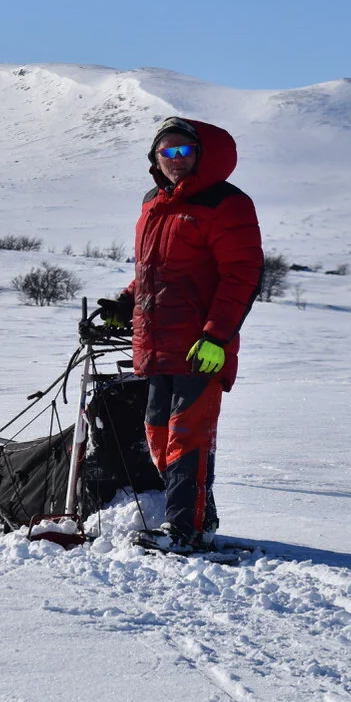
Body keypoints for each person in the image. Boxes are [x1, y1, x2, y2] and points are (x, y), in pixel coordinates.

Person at [97, 116, 262, 553]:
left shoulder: (226, 203)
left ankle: (185, 529)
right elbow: (154, 272)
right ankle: (197, 519)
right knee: (157, 432)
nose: (174, 159)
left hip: (200, 347)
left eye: (184, 151)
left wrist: (216, 336)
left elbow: (242, 275)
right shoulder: (153, 201)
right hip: (156, 344)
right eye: (165, 151)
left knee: (188, 436)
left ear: (203, 155)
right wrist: (124, 304)